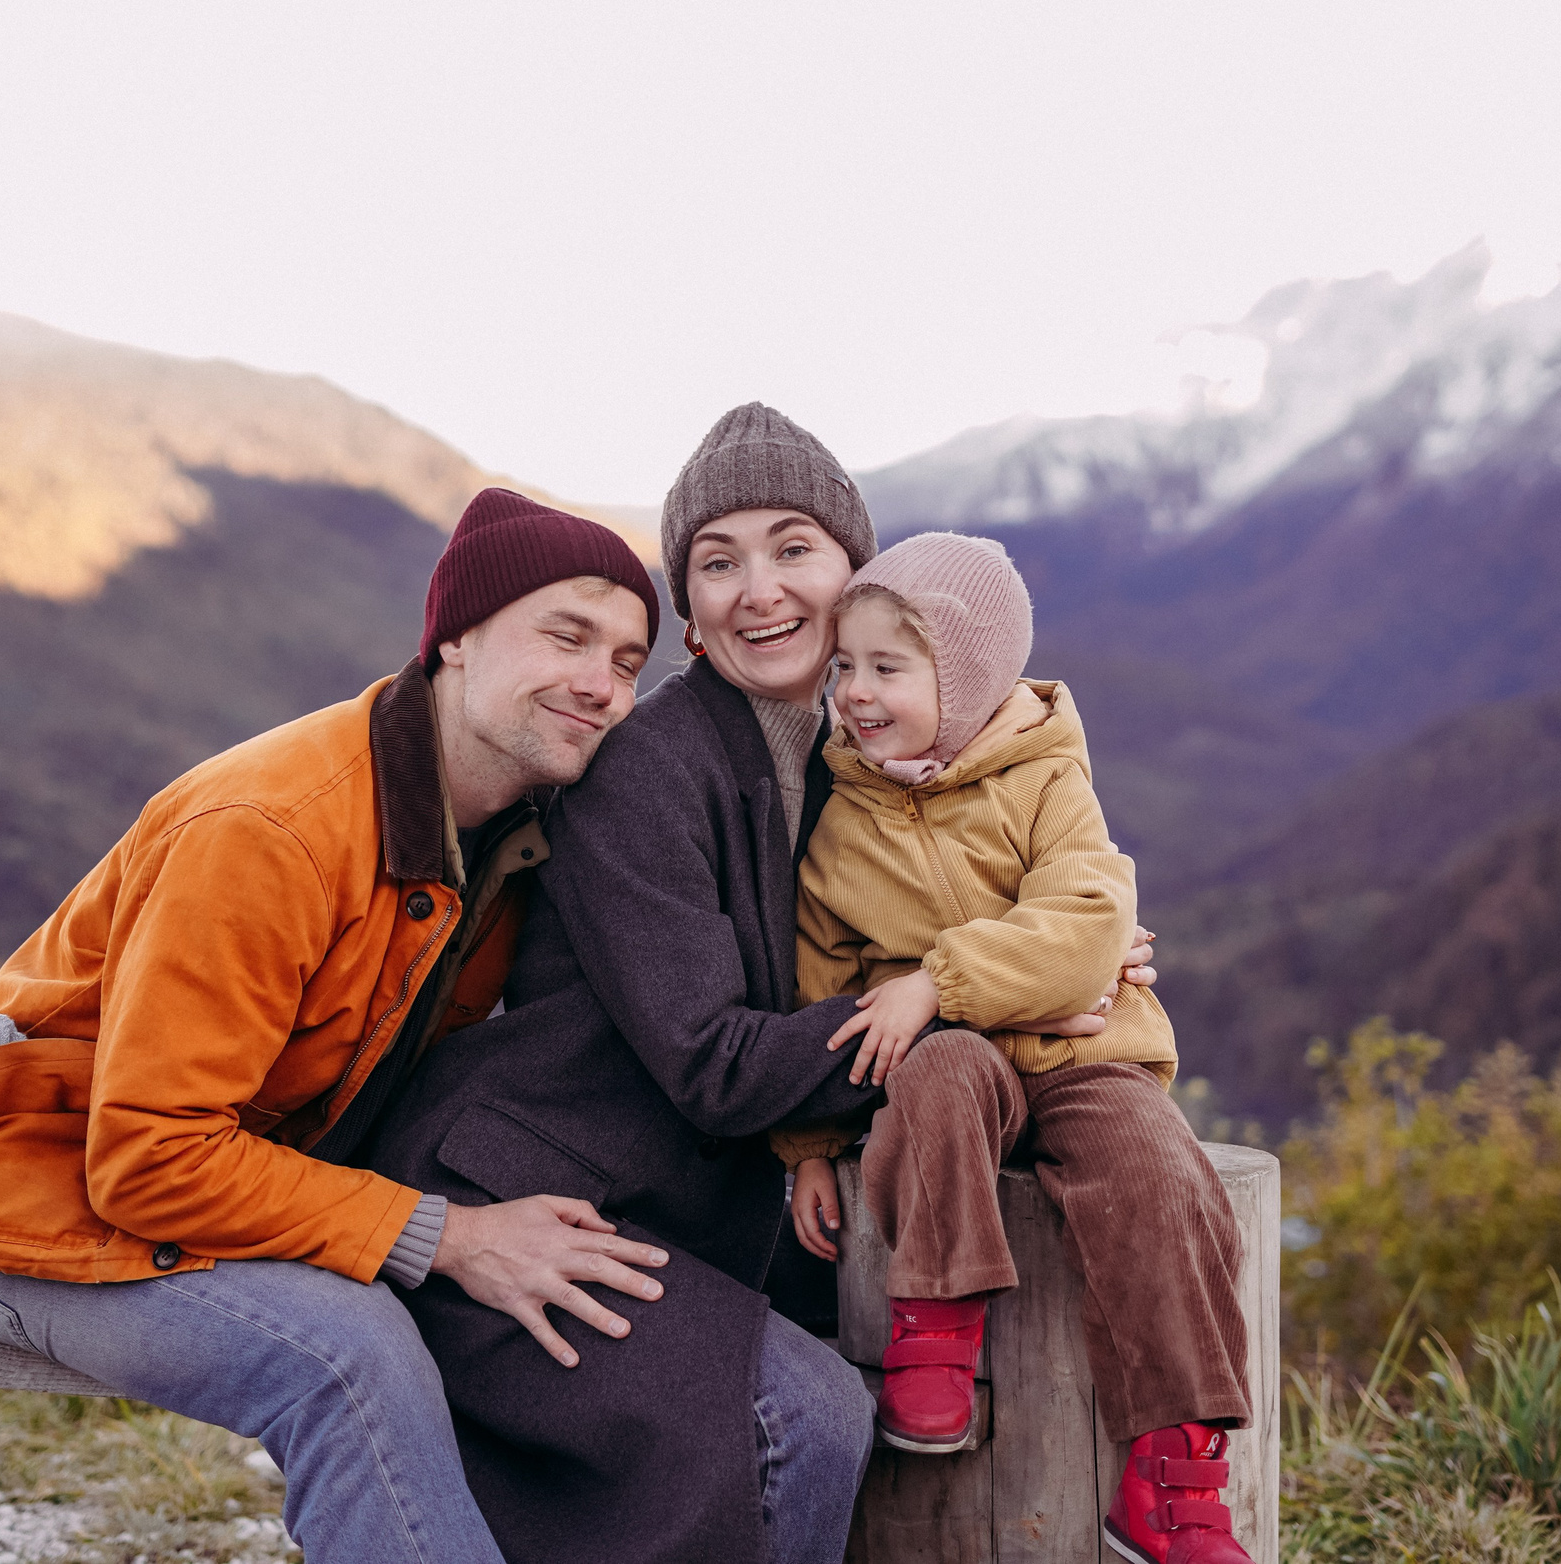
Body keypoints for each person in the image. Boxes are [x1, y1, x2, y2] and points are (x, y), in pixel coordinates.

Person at [367, 405, 1151, 1564]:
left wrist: (1066, 948)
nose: (758, 589)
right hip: (529, 1192)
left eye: (794, 549)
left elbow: (992, 892)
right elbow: (716, 1065)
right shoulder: (646, 769)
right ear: (688, 604)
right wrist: (977, 993)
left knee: (927, 1372)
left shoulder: (867, 755)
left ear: (859, 575)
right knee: (794, 1421)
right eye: (716, 563)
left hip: (690, 1195)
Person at [0, 489, 672, 1564]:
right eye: (568, 634)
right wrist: (451, 1237)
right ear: (454, 636)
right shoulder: (271, 833)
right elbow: (144, 1161)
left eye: (631, 662)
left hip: (240, 1189)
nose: (602, 684)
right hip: (33, 1210)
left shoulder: (507, 832)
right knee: (347, 1357)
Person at [774, 530, 1255, 1564]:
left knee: (1160, 1173)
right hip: (954, 1064)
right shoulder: (841, 818)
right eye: (844, 666)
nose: (854, 692)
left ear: (966, 678)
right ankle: (936, 1327)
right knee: (939, 1073)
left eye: (887, 668)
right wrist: (807, 1145)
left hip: (1090, 1062)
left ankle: (1171, 1468)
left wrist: (935, 982)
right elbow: (818, 986)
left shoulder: (1045, 781)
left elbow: (1087, 926)